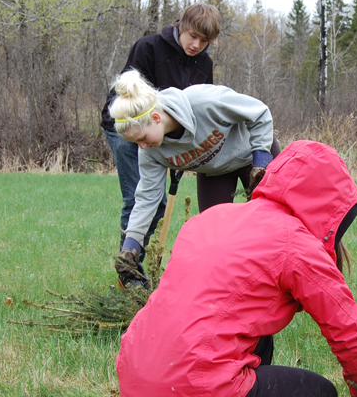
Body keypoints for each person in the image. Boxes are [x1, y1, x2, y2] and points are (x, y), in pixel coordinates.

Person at [116, 140, 357, 397]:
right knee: (321, 392)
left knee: (258, 335)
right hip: (198, 385)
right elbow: (349, 332)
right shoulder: (294, 241)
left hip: (135, 374)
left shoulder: (210, 217)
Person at [108, 69, 280, 289]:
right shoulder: (150, 152)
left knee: (273, 225)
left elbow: (259, 113)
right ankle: (233, 290)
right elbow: (146, 198)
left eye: (142, 138)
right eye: (136, 143)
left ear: (156, 118)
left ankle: (284, 282)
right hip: (215, 171)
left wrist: (261, 163)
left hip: (254, 154)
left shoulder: (204, 102)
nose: (142, 146)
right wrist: (131, 244)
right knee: (215, 241)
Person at [100, 3, 221, 260]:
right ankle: (130, 267)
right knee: (140, 198)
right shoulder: (149, 47)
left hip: (160, 135)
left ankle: (136, 263)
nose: (197, 45)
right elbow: (127, 95)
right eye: (193, 36)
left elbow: (196, 112)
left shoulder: (204, 65)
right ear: (181, 26)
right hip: (125, 128)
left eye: (204, 40)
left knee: (157, 203)